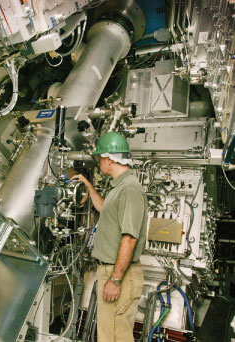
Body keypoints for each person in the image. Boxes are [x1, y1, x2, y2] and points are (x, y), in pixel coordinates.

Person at [72, 132, 147, 342]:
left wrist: (115, 279)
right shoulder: (120, 187)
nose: (98, 163)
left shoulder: (130, 189)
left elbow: (130, 238)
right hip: (111, 271)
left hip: (119, 275)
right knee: (108, 335)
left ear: (109, 158)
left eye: (99, 159)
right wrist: (88, 185)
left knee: (116, 337)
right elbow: (104, 208)